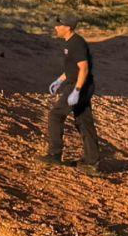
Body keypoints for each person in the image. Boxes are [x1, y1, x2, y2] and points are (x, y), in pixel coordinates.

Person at [38, 15, 101, 175]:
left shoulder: (76, 44)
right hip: (79, 85)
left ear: (68, 27)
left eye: (59, 25)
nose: (56, 28)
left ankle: (54, 154)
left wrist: (77, 91)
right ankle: (91, 162)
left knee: (55, 115)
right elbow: (72, 68)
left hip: (80, 86)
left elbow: (84, 69)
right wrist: (59, 80)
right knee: (83, 121)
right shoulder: (69, 43)